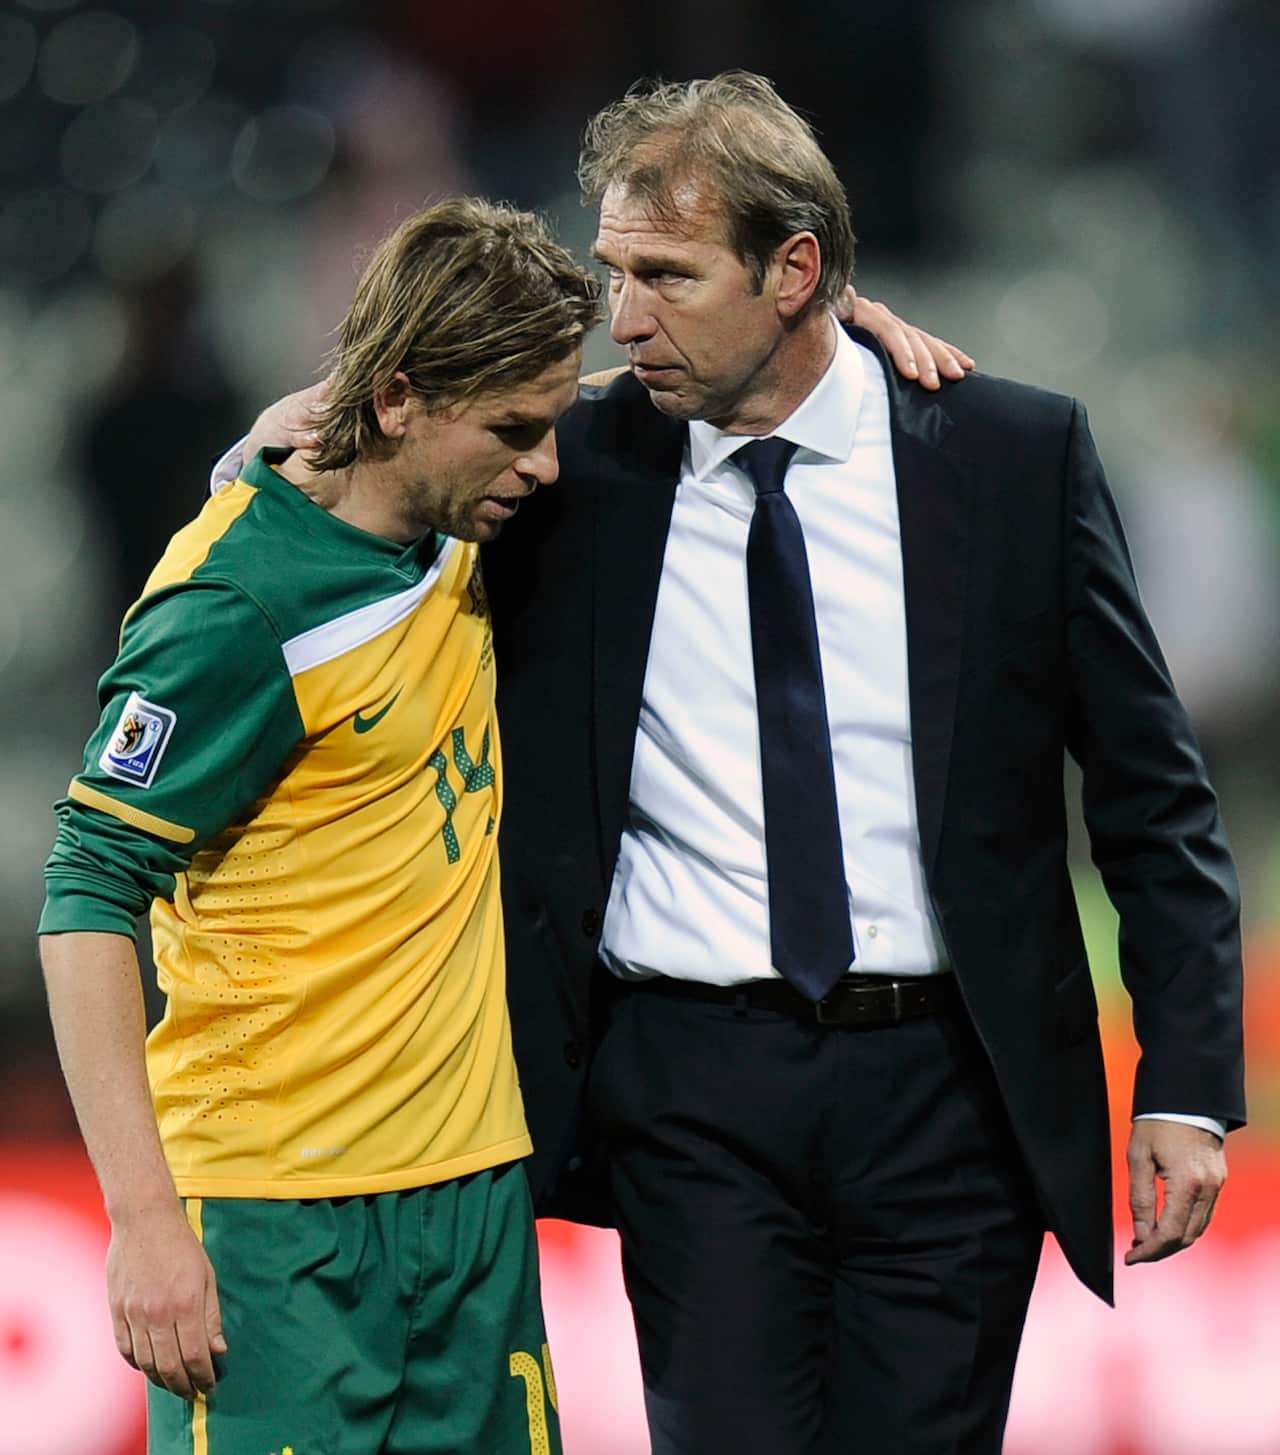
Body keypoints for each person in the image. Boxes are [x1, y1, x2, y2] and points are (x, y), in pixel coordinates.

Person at [238, 71, 1243, 1455]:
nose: (623, 312)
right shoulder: (567, 468)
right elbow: (310, 497)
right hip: (690, 1091)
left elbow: (1152, 792)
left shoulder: (1007, 453)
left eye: (666, 273)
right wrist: (295, 425)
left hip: (955, 1092)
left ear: (796, 269)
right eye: (614, 271)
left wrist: (1186, 1081)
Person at [38, 197, 596, 1453]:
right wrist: (143, 1222)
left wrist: (833, 329)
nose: (546, 464)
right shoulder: (235, 604)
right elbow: (85, 893)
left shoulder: (460, 521)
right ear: (399, 399)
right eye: (516, 432)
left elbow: (677, 387)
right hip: (276, 1221)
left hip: (471, 1198)